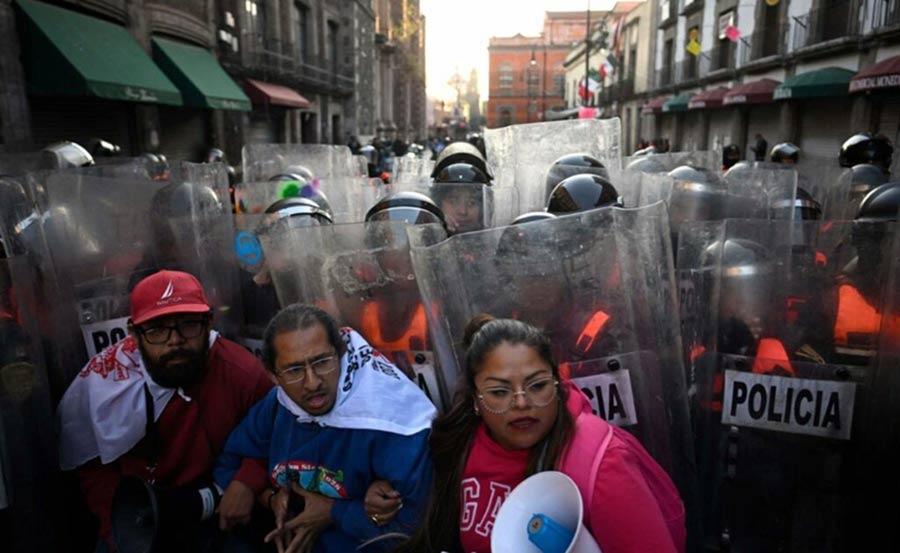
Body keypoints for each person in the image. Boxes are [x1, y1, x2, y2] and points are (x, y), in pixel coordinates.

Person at [390, 316, 685, 553]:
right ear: (475, 400)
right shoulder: (462, 445)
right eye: (499, 392)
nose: (521, 403)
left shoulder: (603, 463)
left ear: (557, 383)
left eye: (537, 386)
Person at [57, 270, 274, 551]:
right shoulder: (104, 386)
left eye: (188, 325)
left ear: (208, 322)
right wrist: (122, 528)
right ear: (134, 334)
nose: (175, 340)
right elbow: (93, 467)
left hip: (219, 510)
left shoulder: (242, 373)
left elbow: (275, 436)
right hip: (137, 514)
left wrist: (247, 480)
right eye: (157, 329)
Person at [214, 304, 435, 552]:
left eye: (322, 362)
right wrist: (268, 497)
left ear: (341, 355)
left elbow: (417, 528)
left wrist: (335, 512)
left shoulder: (391, 421)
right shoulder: (278, 405)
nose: (312, 383)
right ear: (273, 376)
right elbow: (228, 462)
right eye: (294, 370)